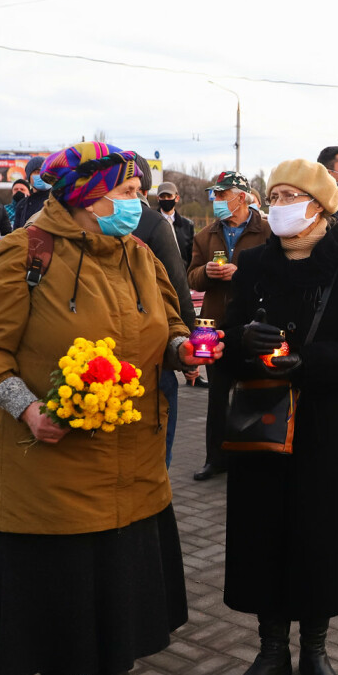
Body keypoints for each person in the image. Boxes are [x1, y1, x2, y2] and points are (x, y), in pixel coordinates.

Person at [0, 141, 209, 675]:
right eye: (126, 193)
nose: (136, 203)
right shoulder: (23, 255)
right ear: (86, 197)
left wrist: (182, 351)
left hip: (133, 450)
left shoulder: (137, 252)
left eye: (137, 193)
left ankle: (112, 671)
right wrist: (25, 408)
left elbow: (170, 321)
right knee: (61, 575)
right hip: (52, 453)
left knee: (118, 570)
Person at [216, 158, 338, 675]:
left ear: (320, 204)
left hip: (323, 427)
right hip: (261, 421)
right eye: (275, 193)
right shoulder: (254, 263)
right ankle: (270, 652)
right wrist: (244, 338)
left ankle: (314, 650)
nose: (281, 203)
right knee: (262, 532)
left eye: (292, 194)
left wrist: (307, 362)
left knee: (319, 536)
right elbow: (225, 338)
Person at [186, 170, 269, 481]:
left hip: (254, 323)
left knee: (257, 391)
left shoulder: (268, 231)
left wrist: (242, 273)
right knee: (217, 397)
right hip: (213, 324)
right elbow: (191, 276)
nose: (216, 200)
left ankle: (257, 455)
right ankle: (215, 458)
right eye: (215, 195)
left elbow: (279, 273)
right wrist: (206, 272)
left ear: (242, 196)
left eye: (222, 194)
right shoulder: (205, 234)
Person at [130, 154, 197, 469]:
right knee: (154, 460)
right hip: (152, 357)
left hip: (131, 357)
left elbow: (176, 286)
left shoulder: (155, 224)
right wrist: (189, 345)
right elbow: (177, 289)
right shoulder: (154, 223)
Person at [156, 181, 193, 266]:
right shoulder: (152, 222)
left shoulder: (187, 225)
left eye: (169, 196)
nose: (166, 199)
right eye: (162, 196)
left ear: (177, 198)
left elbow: (190, 254)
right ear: (158, 198)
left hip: (182, 273)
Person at [12, 155, 50, 229]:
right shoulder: (22, 205)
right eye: (37, 171)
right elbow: (16, 233)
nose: (41, 175)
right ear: (29, 177)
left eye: (44, 171)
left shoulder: (58, 200)